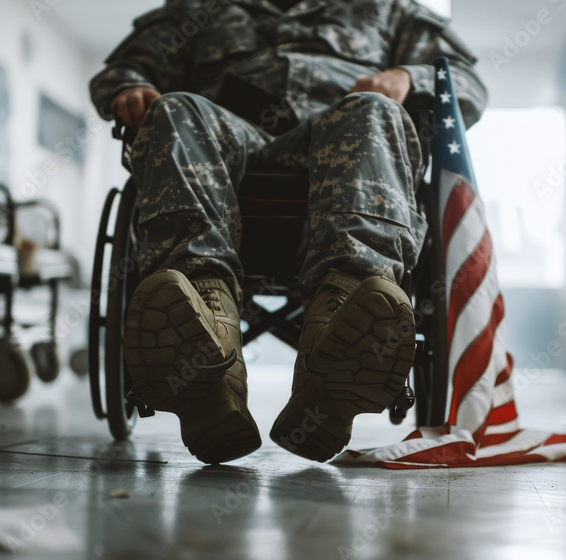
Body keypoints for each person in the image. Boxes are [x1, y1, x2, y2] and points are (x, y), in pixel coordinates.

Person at [90, 0, 486, 464]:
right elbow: (124, 68)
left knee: (373, 110)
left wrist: (409, 77)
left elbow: (466, 81)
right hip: (222, 148)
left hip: (342, 150)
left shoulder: (389, 9)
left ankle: (340, 329)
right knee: (174, 109)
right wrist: (131, 85)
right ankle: (204, 326)